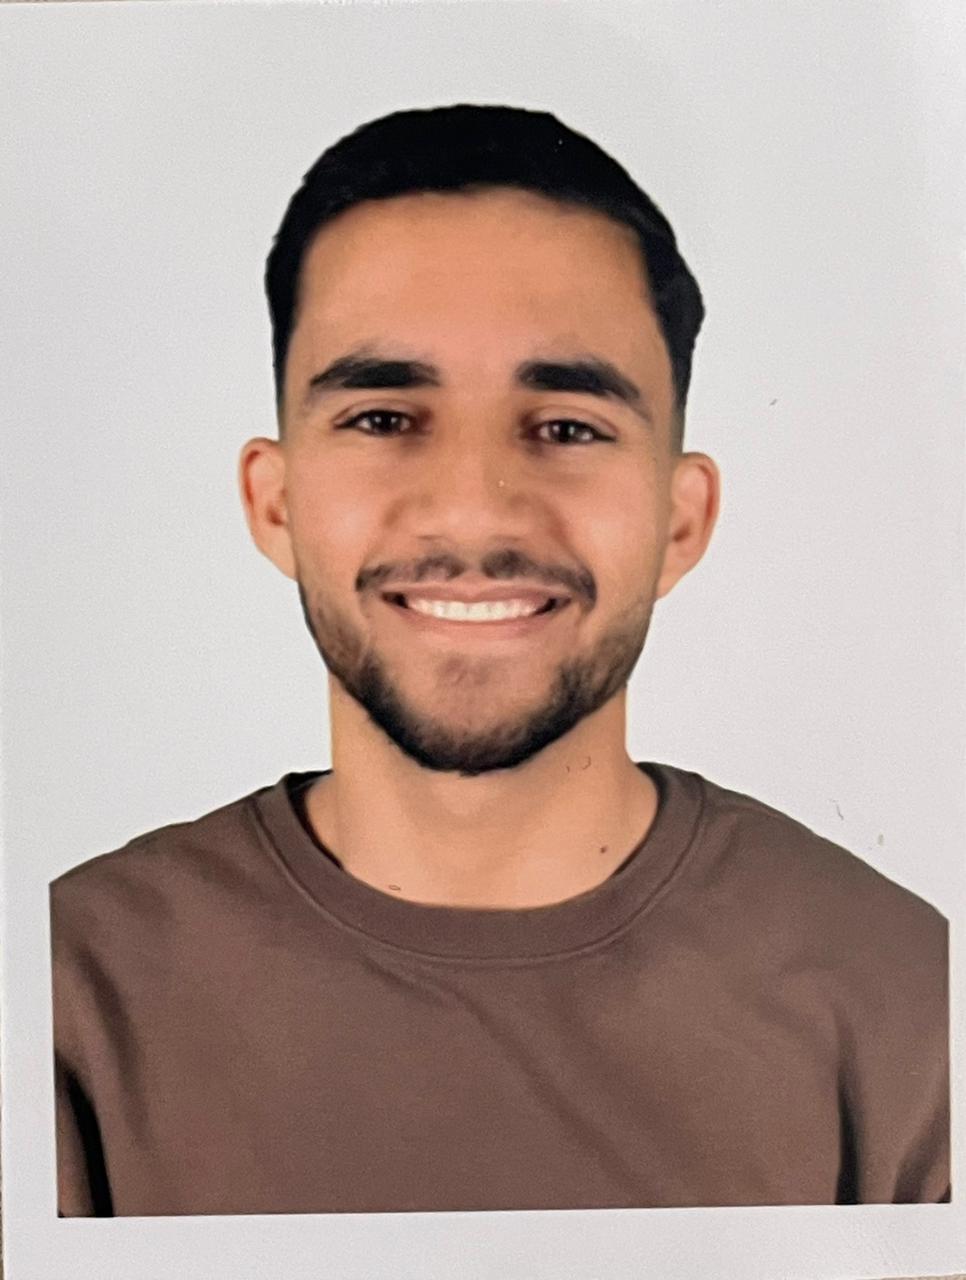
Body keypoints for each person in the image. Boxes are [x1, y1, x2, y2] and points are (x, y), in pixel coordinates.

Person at [50, 104, 949, 1217]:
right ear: (274, 503)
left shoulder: (911, 1006)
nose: (474, 510)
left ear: (680, 520)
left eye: (567, 426)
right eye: (383, 418)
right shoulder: (63, 1001)